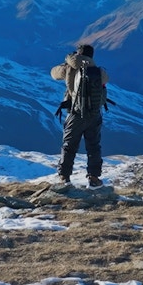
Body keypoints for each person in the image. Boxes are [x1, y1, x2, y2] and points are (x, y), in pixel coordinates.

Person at [50, 43, 109, 187]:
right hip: (94, 115)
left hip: (75, 114)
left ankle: (64, 177)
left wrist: (68, 60)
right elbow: (106, 80)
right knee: (93, 146)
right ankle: (94, 178)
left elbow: (53, 73)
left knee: (69, 146)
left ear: (77, 53)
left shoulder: (69, 68)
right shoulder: (98, 71)